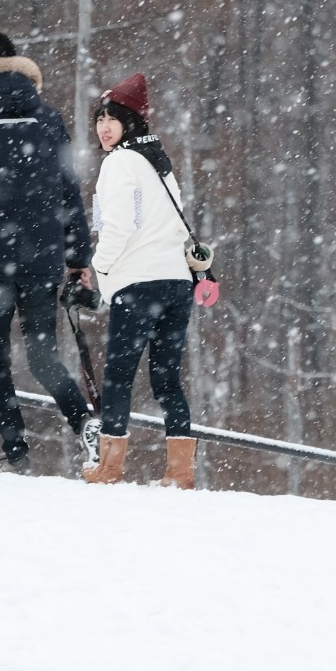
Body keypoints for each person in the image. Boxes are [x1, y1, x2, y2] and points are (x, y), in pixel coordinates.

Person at [0, 30, 101, 476]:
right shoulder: (47, 118)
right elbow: (68, 190)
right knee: (42, 354)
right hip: (42, 256)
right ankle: (85, 422)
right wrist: (77, 259)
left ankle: (17, 456)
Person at [83, 73, 198, 488]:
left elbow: (118, 226)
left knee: (118, 375)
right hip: (176, 284)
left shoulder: (119, 163)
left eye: (113, 118)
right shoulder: (160, 164)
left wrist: (100, 268)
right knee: (167, 377)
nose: (103, 126)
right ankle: (180, 472)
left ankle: (110, 467)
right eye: (99, 118)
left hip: (139, 284)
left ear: (130, 123)